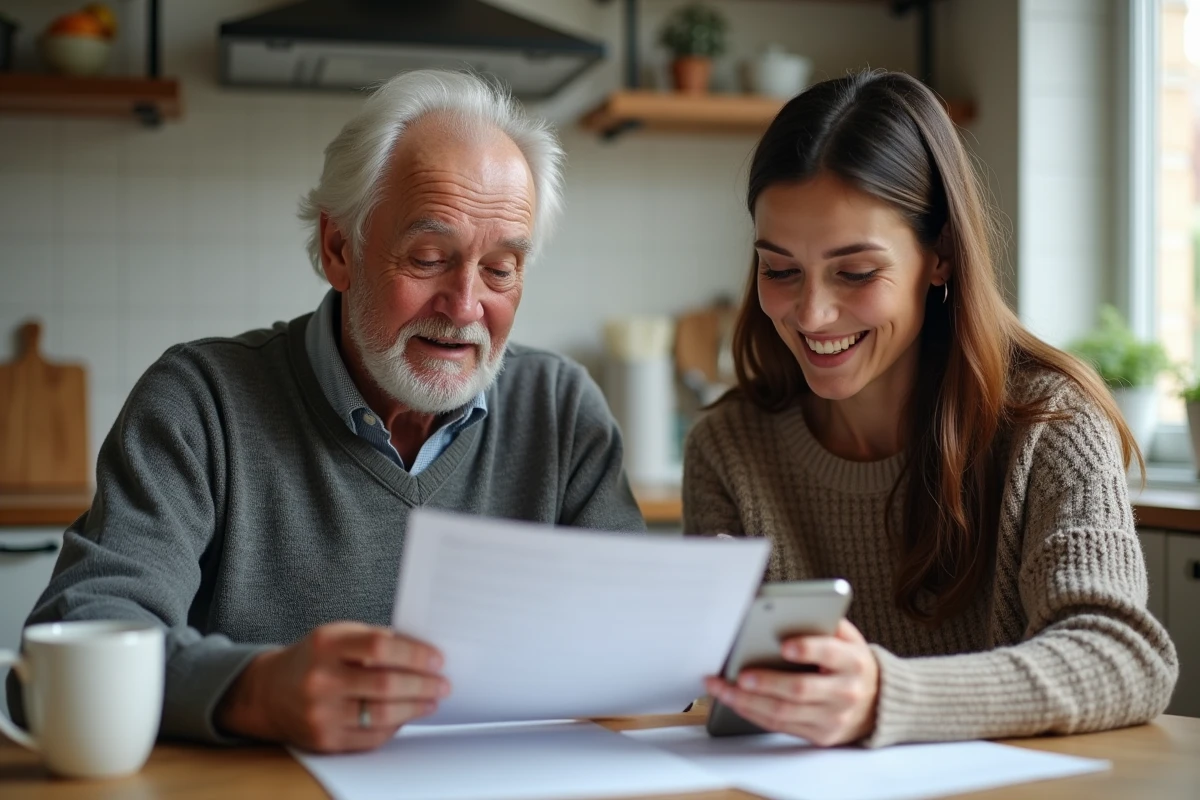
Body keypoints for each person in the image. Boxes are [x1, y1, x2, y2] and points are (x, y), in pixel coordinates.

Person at [8, 70, 645, 753]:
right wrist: (256, 688)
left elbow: (644, 640)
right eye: (429, 258)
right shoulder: (201, 402)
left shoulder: (561, 409)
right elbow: (82, 630)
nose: (464, 308)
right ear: (341, 248)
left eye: (500, 270)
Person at [685, 70, 1178, 748]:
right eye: (780, 269)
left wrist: (886, 698)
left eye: (855, 272)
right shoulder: (727, 446)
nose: (811, 313)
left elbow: (1125, 659)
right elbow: (718, 699)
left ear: (940, 255)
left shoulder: (1052, 427)